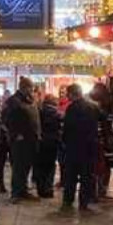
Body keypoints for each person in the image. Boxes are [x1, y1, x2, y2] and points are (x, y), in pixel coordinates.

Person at [61, 83, 102, 212]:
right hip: (89, 147)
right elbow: (104, 117)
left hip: (73, 148)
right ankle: (84, 203)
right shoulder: (93, 106)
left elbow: (66, 128)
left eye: (68, 94)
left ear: (72, 94)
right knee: (86, 176)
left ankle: (68, 202)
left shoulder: (71, 108)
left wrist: (65, 142)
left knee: (71, 177)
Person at [2, 76, 41, 202]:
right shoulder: (14, 101)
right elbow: (7, 119)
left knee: (26, 166)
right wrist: (16, 134)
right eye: (31, 88)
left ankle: (23, 190)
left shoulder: (29, 100)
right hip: (20, 140)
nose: (32, 91)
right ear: (25, 88)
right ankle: (16, 193)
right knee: (19, 166)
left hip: (31, 138)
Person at [33, 94, 62, 198]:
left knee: (40, 166)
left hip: (40, 141)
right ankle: (48, 189)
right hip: (52, 142)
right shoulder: (57, 114)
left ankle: (40, 189)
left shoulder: (38, 111)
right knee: (50, 166)